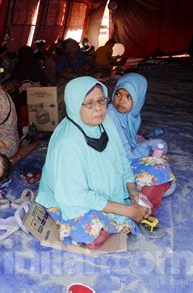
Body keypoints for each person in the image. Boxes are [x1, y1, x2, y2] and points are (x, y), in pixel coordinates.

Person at [36, 77, 149, 248]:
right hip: (73, 199)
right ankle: (123, 214)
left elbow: (121, 158)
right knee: (92, 231)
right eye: (89, 103)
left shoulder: (107, 122)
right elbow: (75, 195)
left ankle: (126, 209)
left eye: (101, 100)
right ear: (74, 105)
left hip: (107, 189)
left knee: (154, 173)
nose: (98, 108)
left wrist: (132, 189)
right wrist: (127, 210)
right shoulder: (67, 143)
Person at [107, 73, 176, 201]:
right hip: (114, 165)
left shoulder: (132, 115)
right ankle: (141, 193)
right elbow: (126, 156)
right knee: (159, 166)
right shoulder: (111, 114)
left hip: (124, 157)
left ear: (139, 98)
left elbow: (129, 140)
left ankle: (153, 188)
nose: (121, 100)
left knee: (159, 163)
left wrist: (145, 145)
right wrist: (148, 146)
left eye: (128, 96)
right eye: (118, 94)